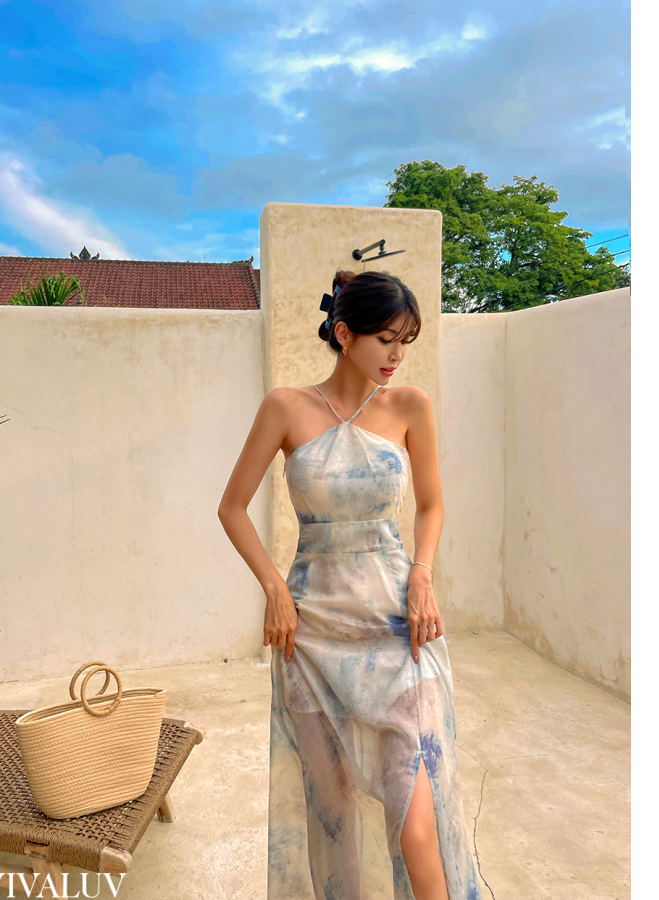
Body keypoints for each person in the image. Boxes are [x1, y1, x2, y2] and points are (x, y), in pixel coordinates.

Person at [217, 270, 482, 900]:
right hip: (312, 631)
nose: (397, 355)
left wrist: (423, 573)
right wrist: (274, 589)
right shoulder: (286, 407)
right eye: (386, 339)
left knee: (416, 825)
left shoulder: (411, 406)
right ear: (343, 334)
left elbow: (432, 505)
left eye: (405, 341)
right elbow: (231, 507)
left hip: (397, 626)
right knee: (331, 812)